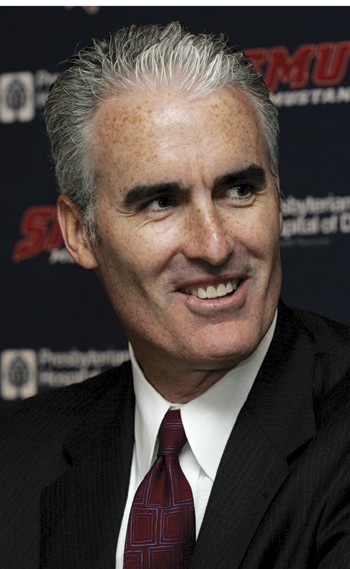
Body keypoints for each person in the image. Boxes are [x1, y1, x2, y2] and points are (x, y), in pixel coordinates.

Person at [1, 21, 350, 569]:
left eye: (239, 189)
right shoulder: (16, 455)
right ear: (80, 233)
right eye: (160, 202)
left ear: (279, 195)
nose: (214, 245)